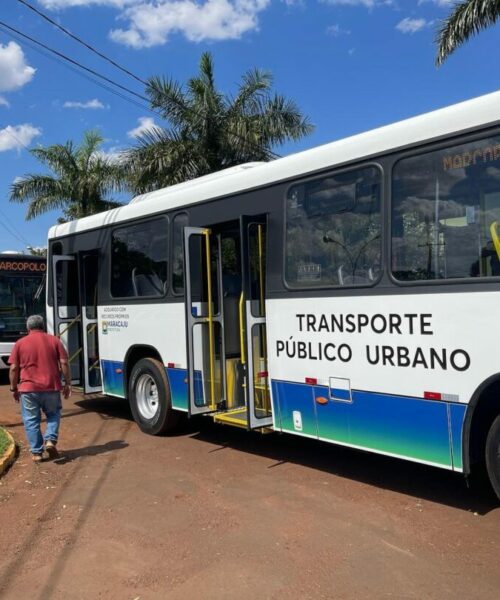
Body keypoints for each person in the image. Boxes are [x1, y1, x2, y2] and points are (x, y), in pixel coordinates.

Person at [8, 314, 72, 463]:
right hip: (51, 387)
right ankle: (50, 440)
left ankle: (37, 453)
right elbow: (64, 362)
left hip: (28, 388)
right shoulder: (55, 340)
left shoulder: (20, 343)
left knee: (31, 420)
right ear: (43, 326)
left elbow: (13, 368)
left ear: (28, 327)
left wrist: (13, 389)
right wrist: (67, 383)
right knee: (53, 414)